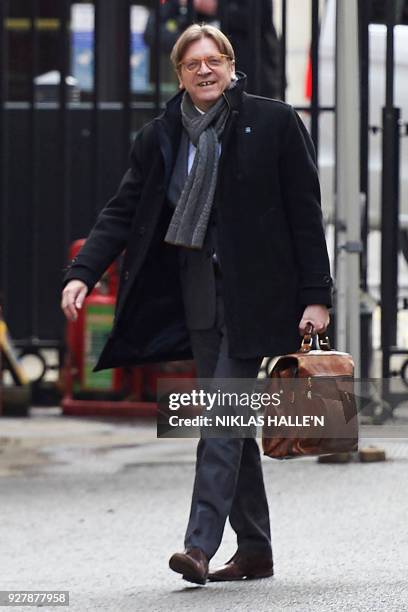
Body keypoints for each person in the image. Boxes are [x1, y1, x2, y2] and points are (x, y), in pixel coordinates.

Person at [61, 24, 332, 585]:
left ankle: (200, 545)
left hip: (261, 294)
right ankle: (256, 549)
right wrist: (83, 273)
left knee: (221, 415)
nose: (205, 70)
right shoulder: (161, 135)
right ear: (178, 73)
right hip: (198, 293)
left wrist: (316, 297)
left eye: (215, 60)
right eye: (192, 64)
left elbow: (306, 216)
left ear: (232, 65)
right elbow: (122, 210)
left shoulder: (275, 122)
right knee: (230, 422)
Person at [144, 0, 282, 98]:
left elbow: (260, 17)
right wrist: (190, 42)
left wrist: (216, 6)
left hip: (253, 81)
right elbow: (152, 32)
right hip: (198, 90)